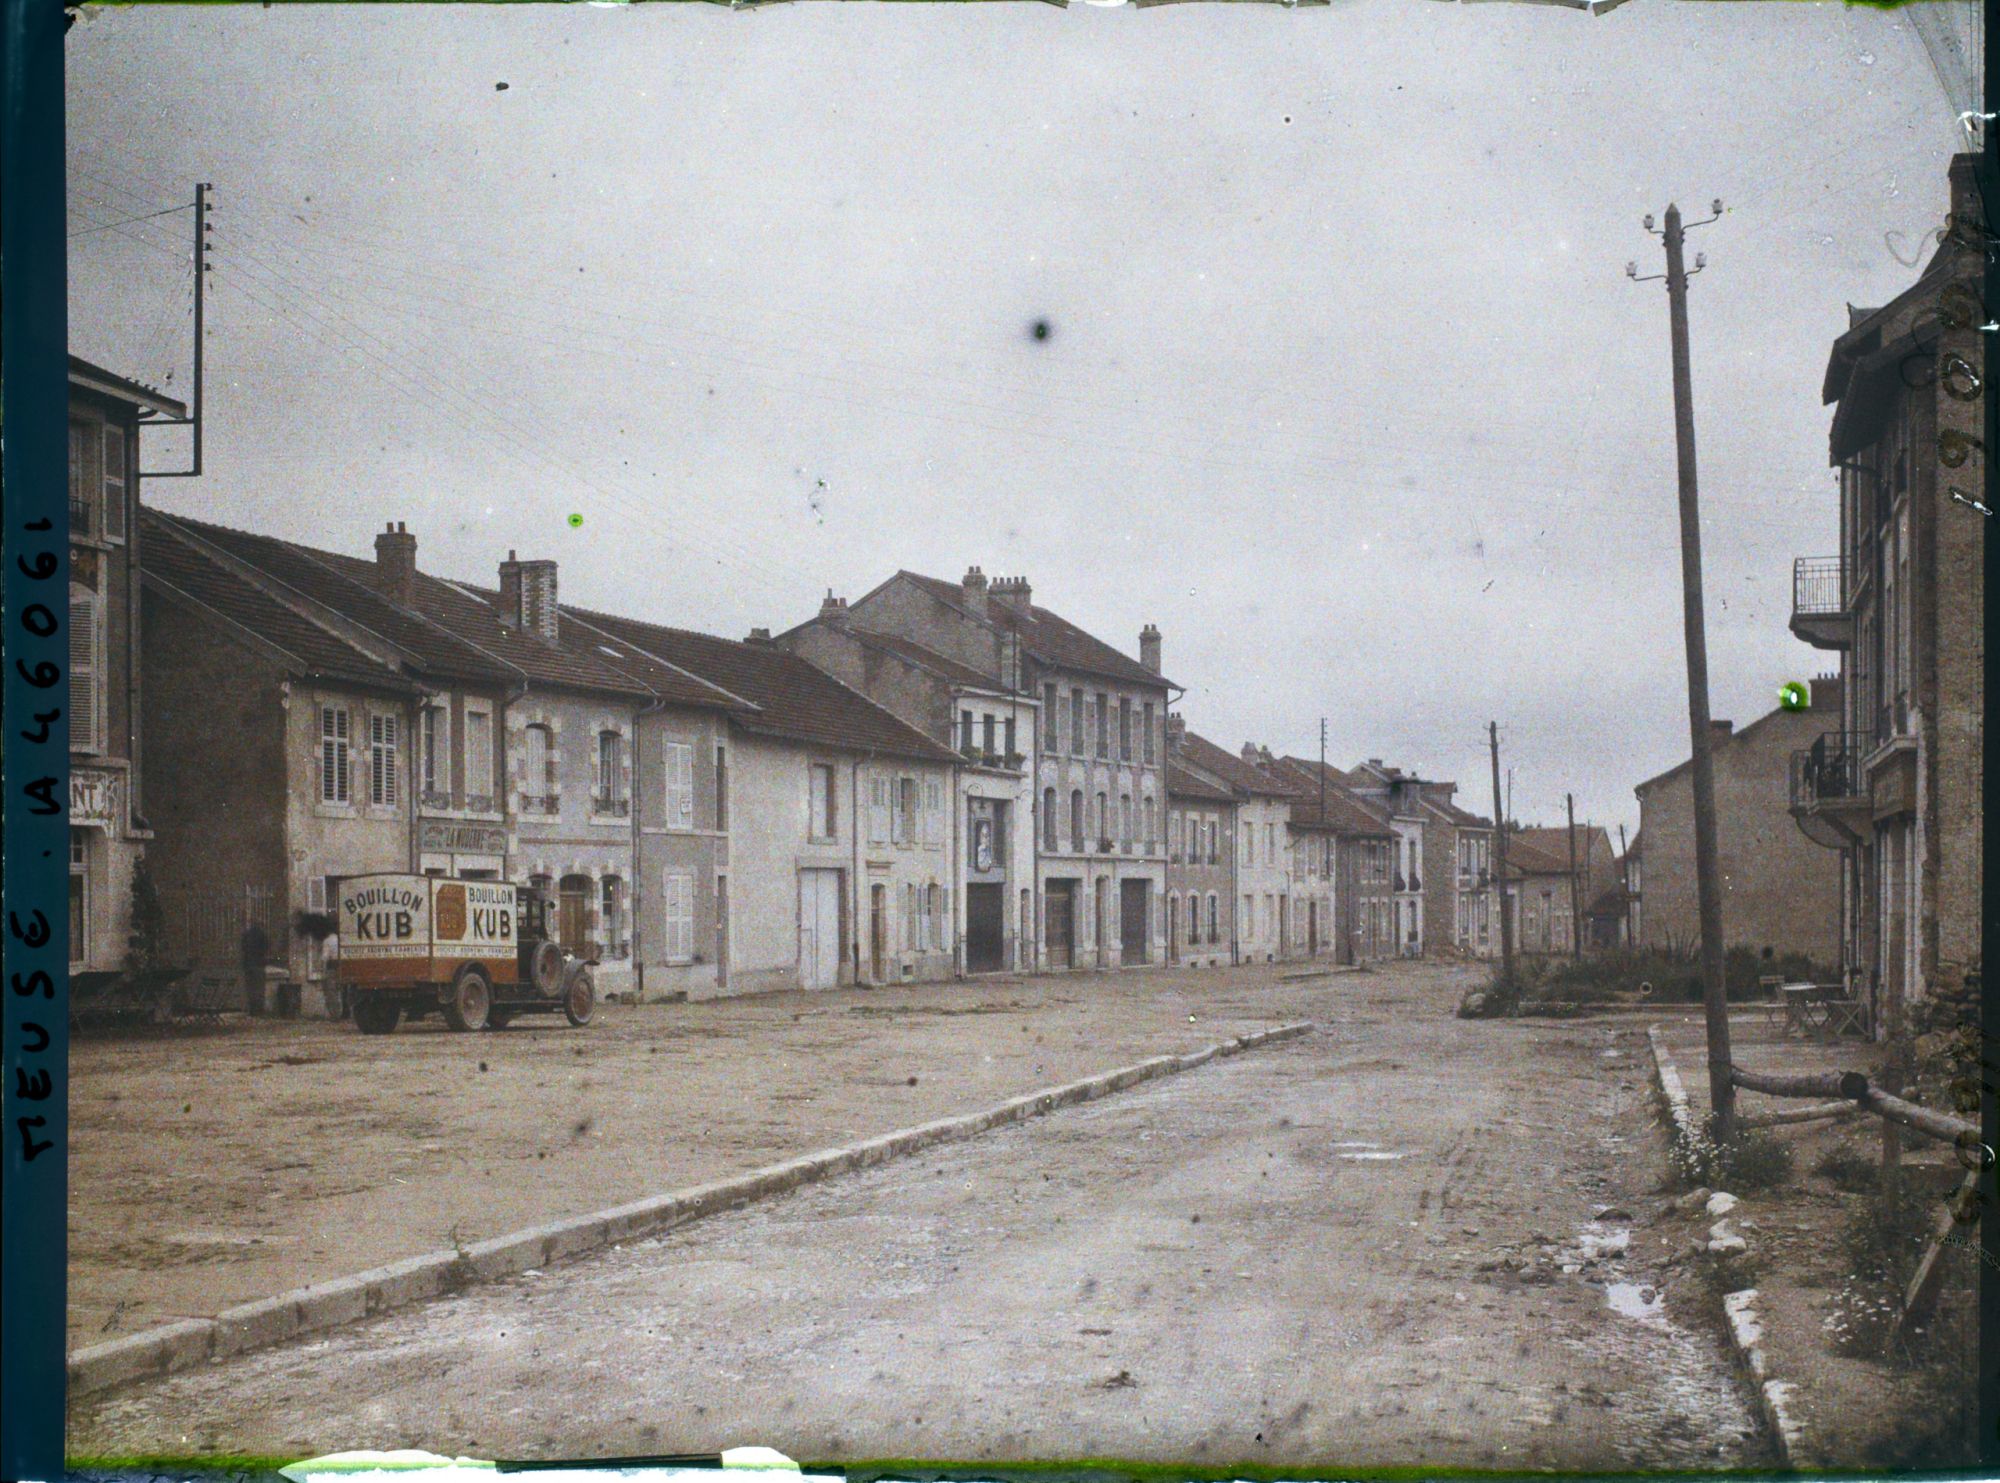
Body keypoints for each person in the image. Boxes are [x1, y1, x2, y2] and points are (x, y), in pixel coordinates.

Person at [239, 919, 271, 1016]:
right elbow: (267, 947)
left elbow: (243, 948)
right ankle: (259, 1010)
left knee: (250, 989)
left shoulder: (246, 934)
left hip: (248, 964)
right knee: (259, 989)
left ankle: (252, 1010)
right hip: (259, 964)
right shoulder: (262, 934)